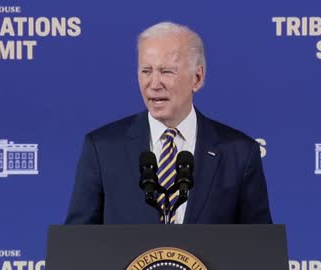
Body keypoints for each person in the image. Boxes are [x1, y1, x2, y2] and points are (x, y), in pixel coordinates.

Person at [65, 22, 272, 224]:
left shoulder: (239, 153)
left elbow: (259, 250)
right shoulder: (102, 149)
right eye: (146, 71)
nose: (154, 84)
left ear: (197, 78)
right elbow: (77, 247)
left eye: (166, 72)